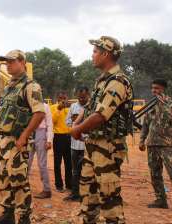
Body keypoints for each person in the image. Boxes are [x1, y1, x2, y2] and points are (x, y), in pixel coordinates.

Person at [0, 50, 45, 224]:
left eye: (11, 62)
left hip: (17, 141)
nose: (8, 64)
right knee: (5, 178)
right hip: (4, 140)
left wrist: (24, 136)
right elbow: (3, 106)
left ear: (22, 62)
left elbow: (39, 113)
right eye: (6, 62)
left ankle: (24, 218)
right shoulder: (10, 87)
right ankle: (7, 215)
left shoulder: (31, 86)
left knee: (19, 180)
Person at [71, 36, 133, 224]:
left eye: (95, 51)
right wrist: (78, 124)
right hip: (94, 145)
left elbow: (101, 115)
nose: (92, 55)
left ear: (106, 54)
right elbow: (89, 107)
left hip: (108, 146)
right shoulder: (102, 82)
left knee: (109, 198)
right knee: (88, 194)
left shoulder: (118, 82)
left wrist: (77, 129)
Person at [139, 78, 172, 209]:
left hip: (167, 145)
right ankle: (161, 200)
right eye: (153, 88)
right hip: (152, 144)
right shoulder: (150, 105)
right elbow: (145, 125)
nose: (154, 91)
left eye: (157, 88)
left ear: (163, 89)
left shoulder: (169, 103)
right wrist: (142, 140)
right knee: (155, 174)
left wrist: (164, 106)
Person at [64, 87, 89, 201]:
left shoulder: (91, 107)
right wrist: (74, 127)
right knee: (75, 171)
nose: (81, 99)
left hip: (87, 145)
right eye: (79, 97)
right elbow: (67, 122)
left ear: (88, 95)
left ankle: (86, 195)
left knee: (87, 171)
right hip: (74, 145)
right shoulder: (73, 107)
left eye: (83, 97)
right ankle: (75, 194)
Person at [28, 102, 53, 199]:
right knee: (26, 162)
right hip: (29, 133)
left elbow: (49, 124)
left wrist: (49, 140)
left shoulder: (45, 106)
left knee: (42, 164)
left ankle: (47, 190)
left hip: (41, 133)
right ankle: (23, 188)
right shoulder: (28, 105)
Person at [50, 92, 72, 192]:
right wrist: (59, 109)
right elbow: (52, 121)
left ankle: (69, 185)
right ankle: (59, 185)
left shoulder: (70, 109)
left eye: (64, 98)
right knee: (57, 162)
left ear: (67, 99)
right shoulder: (53, 107)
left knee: (69, 163)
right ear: (57, 99)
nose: (63, 100)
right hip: (58, 137)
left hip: (69, 137)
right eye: (60, 98)